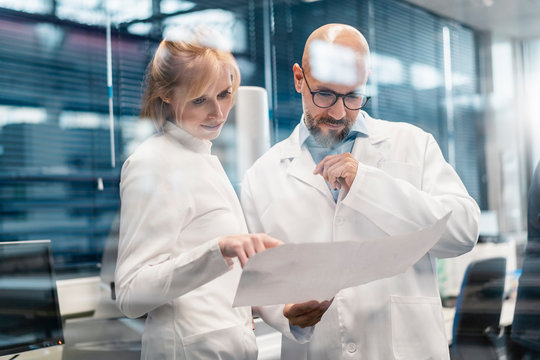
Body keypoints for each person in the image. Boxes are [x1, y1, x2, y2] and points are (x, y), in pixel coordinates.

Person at [241, 23, 481, 360]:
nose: (339, 113)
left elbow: (464, 231)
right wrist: (284, 314)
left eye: (353, 95)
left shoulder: (413, 144)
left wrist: (368, 184)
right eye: (324, 94)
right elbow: (257, 279)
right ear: (299, 79)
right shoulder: (261, 177)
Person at [114, 36, 283, 360]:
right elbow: (130, 293)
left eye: (224, 94)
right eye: (199, 100)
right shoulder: (152, 163)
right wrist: (218, 251)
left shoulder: (203, 156)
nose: (218, 112)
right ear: (166, 95)